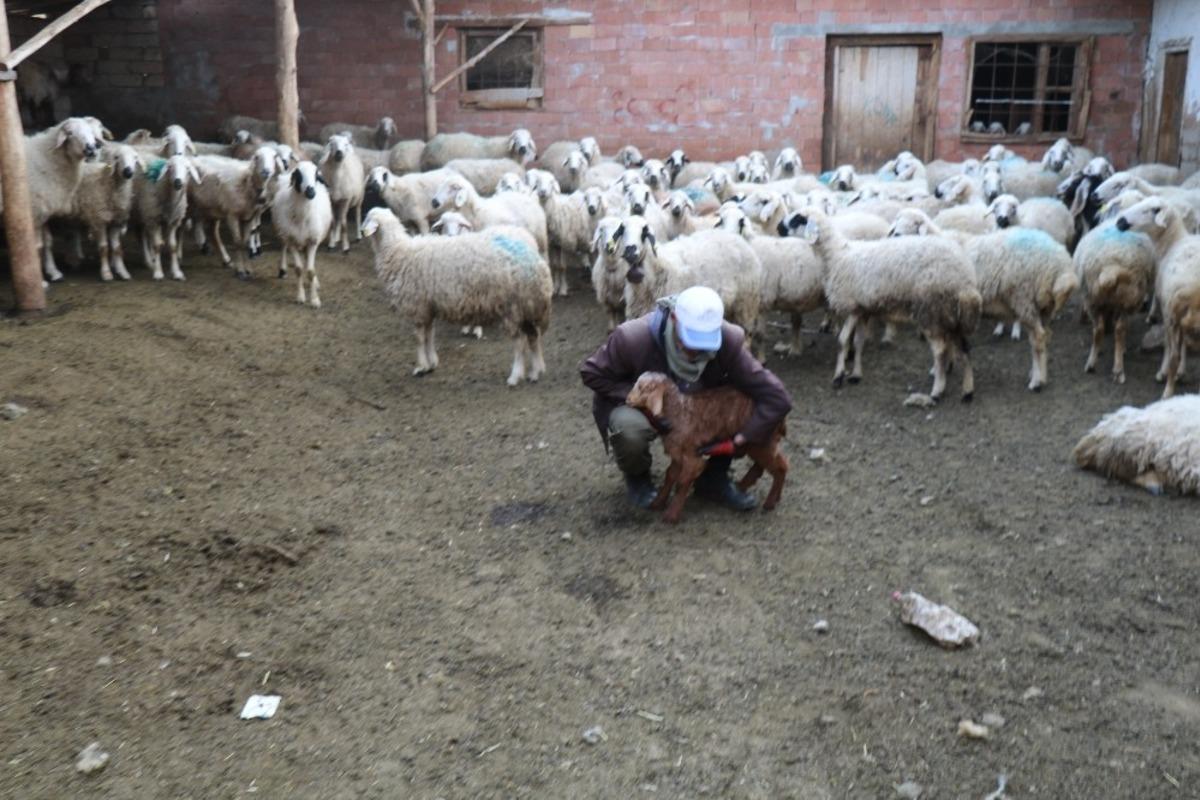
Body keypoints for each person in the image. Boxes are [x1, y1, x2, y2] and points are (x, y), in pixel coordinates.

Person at [580, 286, 793, 510]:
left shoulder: (727, 342)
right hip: (643, 406)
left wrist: (745, 437)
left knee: (735, 403)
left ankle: (713, 478)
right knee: (628, 429)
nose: (697, 351)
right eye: (691, 339)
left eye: (704, 342)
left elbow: (777, 397)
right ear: (674, 318)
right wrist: (640, 397)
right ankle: (638, 478)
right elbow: (591, 373)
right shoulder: (633, 339)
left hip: (698, 413)